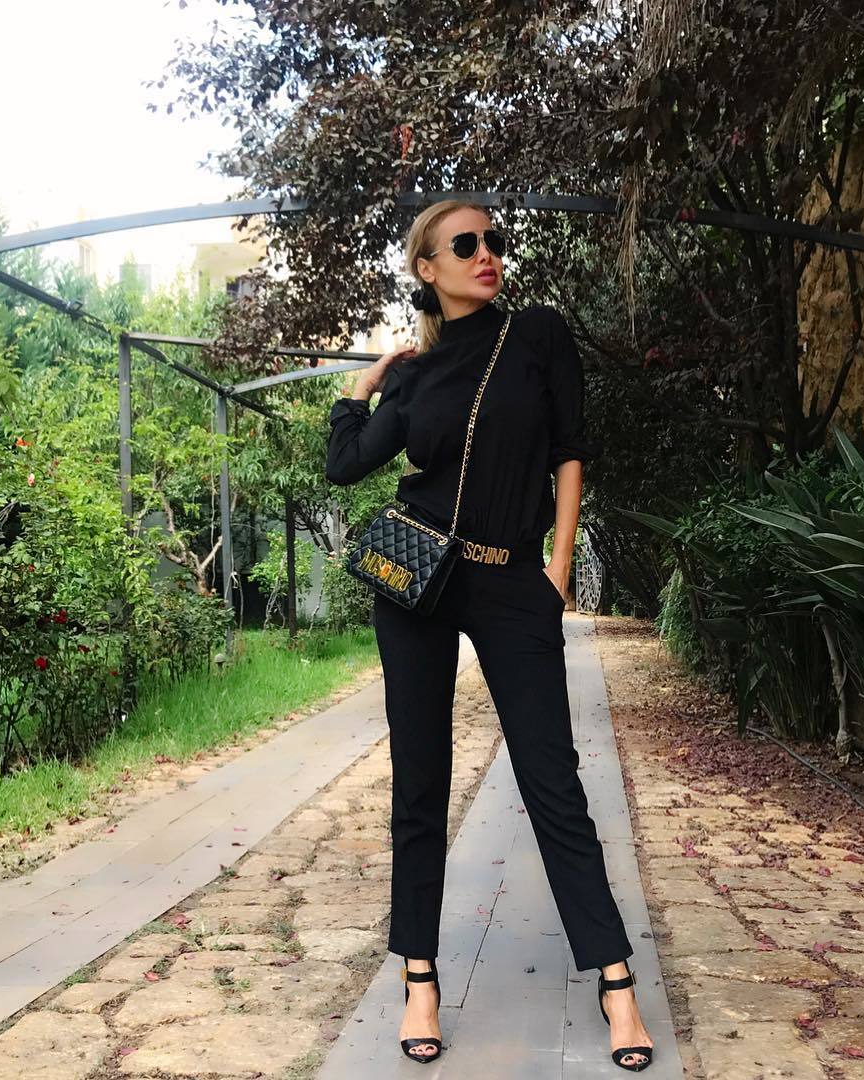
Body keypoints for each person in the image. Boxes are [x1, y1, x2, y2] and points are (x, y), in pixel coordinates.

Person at [325, 199, 654, 1072]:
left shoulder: (537, 335)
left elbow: (569, 450)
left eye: (493, 241)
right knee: (420, 779)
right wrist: (361, 389)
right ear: (427, 268)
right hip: (418, 582)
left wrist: (558, 564)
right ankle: (420, 977)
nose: (487, 254)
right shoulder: (416, 376)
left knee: (552, 777)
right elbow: (346, 464)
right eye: (464, 244)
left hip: (512, 578)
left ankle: (615, 978)